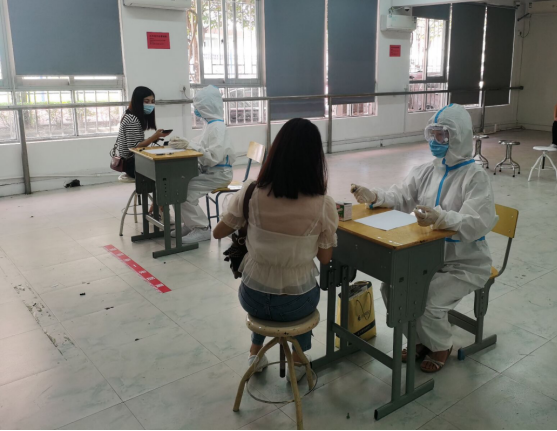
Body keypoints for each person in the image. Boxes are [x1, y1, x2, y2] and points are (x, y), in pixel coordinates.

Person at [351, 104, 498, 373]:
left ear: (459, 137)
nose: (435, 141)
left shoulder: (475, 177)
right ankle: (418, 340)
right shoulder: (427, 171)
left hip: (465, 263)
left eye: (442, 135)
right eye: (433, 134)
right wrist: (376, 196)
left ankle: (440, 345)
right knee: (392, 288)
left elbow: (477, 223)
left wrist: (441, 218)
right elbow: (401, 195)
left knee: (428, 301)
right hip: (427, 258)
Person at [213, 118, 338, 383]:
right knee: (301, 292)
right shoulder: (323, 205)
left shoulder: (250, 192)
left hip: (252, 296)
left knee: (266, 290)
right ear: (316, 160)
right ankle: (298, 362)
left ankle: (255, 355)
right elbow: (325, 258)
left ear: (276, 152)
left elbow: (218, 232)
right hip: (297, 303)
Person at [169, 85, 236, 244]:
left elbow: (213, 157)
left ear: (207, 107)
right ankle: (190, 224)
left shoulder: (218, 128)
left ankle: (202, 228)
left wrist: (190, 145)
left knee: (184, 193)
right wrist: (186, 143)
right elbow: (201, 145)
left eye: (198, 107)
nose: (196, 110)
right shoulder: (210, 125)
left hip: (219, 175)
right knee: (176, 187)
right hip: (211, 172)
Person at [115, 86, 166, 179]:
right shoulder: (132, 119)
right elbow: (135, 147)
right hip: (132, 166)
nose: (150, 105)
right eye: (146, 101)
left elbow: (135, 142)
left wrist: (154, 137)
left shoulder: (130, 116)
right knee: (167, 168)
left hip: (133, 163)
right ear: (138, 101)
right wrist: (154, 137)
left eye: (152, 101)